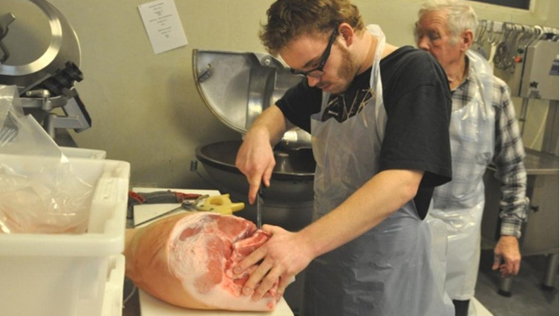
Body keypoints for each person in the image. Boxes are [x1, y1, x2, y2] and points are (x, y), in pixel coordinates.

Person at [233, 0, 455, 315]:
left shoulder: (413, 71)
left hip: (388, 271)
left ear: (345, 35)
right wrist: (258, 135)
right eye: (301, 72)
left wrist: (302, 244)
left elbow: (402, 182)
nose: (310, 81)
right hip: (329, 257)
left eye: (313, 67)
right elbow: (280, 112)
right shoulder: (327, 78)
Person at [414, 1, 529, 315]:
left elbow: (513, 166)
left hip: (461, 228)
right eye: (419, 33)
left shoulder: (493, 93)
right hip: (407, 223)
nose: (421, 44)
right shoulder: (407, 84)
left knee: (454, 307)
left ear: (464, 40)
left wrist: (509, 233)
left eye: (432, 36)